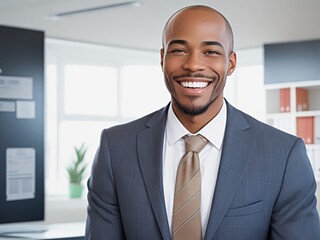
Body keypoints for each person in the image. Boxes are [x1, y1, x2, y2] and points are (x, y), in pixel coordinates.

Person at [85, 5, 320, 240]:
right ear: (162, 58)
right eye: (178, 50)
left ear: (231, 63)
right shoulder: (115, 148)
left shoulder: (283, 155)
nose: (193, 65)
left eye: (211, 52)